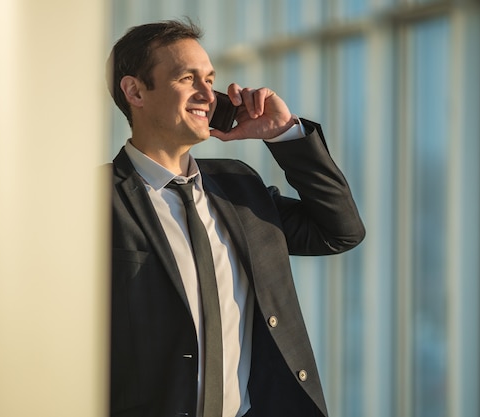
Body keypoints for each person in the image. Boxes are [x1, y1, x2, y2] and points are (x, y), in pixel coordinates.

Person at [106, 19, 365, 417]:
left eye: (210, 80)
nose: (207, 94)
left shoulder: (239, 186)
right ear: (135, 91)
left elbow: (339, 232)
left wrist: (283, 133)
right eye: (187, 78)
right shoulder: (91, 201)